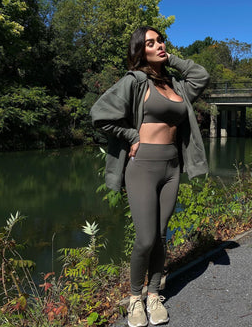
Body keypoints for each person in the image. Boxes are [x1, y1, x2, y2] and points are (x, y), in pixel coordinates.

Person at [90, 26, 209, 327]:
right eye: (150, 43)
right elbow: (100, 113)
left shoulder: (177, 85)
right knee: (144, 239)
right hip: (142, 165)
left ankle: (154, 293)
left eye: (160, 41)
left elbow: (201, 76)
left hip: (172, 167)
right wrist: (131, 134)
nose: (158, 45)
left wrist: (171, 60)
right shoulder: (135, 81)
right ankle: (134, 298)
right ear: (139, 51)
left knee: (160, 235)